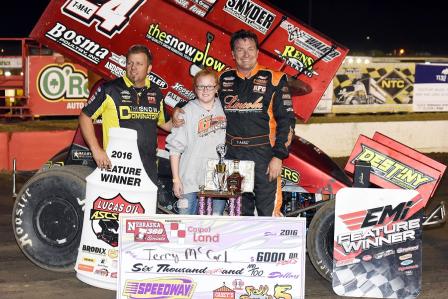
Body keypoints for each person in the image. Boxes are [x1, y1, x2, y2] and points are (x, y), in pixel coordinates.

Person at [174, 29, 311, 216]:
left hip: (264, 155)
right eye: (240, 49)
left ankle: (267, 246)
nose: (245, 54)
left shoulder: (275, 79)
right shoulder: (224, 78)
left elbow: (287, 121)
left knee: (268, 211)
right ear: (233, 53)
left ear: (257, 52)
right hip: (232, 156)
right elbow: (201, 97)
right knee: (239, 212)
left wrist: (278, 156)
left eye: (250, 49)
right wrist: (179, 107)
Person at [79, 44, 171, 185]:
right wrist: (96, 149)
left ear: (149, 69)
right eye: (130, 63)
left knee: (147, 207)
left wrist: (187, 120)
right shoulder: (110, 89)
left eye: (139, 64)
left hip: (148, 167)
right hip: (118, 167)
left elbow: (165, 123)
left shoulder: (156, 92)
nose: (133, 67)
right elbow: (85, 116)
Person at [166, 69, 227, 215]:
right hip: (189, 180)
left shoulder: (225, 109)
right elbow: (175, 149)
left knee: (214, 227)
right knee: (185, 226)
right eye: (201, 86)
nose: (205, 90)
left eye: (210, 86)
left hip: (218, 180)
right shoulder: (186, 112)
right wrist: (176, 180)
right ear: (195, 88)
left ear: (217, 88)